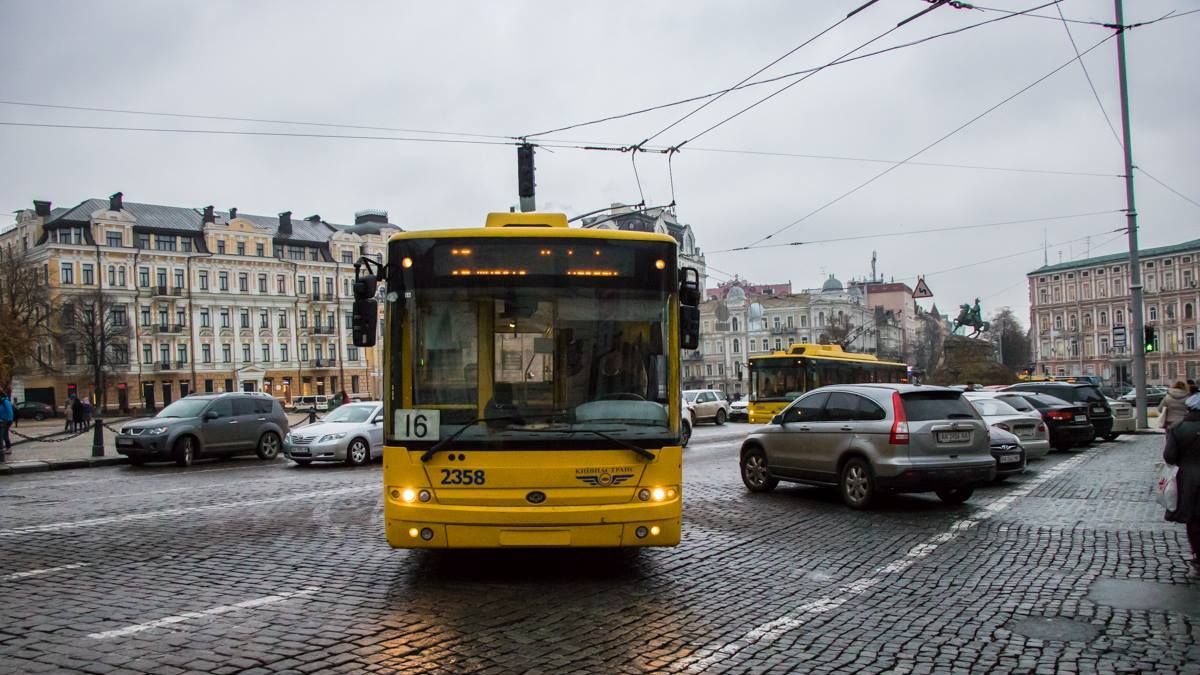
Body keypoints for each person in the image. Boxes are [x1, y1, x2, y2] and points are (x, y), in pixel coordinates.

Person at [1164, 393, 1200, 574]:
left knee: (1193, 519)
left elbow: (1169, 457)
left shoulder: (1178, 428)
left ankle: (1198, 554)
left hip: (1188, 479)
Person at [0, 390, 14, 456]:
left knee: (2, 435)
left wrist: (8, 420)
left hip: (6, 421)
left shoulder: (5, 401)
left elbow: (9, 411)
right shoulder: (1, 402)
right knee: (5, 435)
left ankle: (5, 449)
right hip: (2, 421)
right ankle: (8, 448)